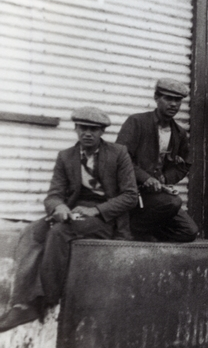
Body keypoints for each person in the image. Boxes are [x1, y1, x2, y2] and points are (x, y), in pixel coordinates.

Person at [0, 107, 138, 332]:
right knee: (31, 232)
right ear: (75, 128)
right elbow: (53, 194)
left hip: (105, 217)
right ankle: (21, 304)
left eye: (93, 129)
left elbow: (130, 196)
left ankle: (45, 299)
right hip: (73, 213)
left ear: (102, 131)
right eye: (83, 128)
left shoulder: (118, 153)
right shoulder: (66, 156)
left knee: (59, 232)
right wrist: (60, 206)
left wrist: (97, 210)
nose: (87, 134)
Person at [116, 78, 198, 242]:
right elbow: (120, 158)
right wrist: (145, 178)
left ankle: (141, 231)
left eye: (178, 100)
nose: (173, 104)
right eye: (168, 98)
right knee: (173, 202)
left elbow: (185, 163)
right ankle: (133, 230)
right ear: (156, 97)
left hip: (156, 195)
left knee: (189, 231)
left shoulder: (179, 133)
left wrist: (165, 178)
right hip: (132, 192)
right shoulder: (137, 122)